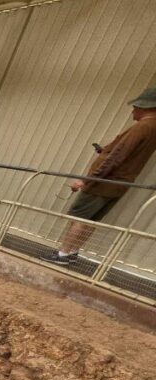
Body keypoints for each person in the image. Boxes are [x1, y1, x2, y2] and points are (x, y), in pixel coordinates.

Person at [46, 87, 156, 266]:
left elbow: (116, 157)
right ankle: (72, 252)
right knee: (91, 220)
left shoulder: (141, 127)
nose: (133, 110)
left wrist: (87, 180)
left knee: (79, 218)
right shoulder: (153, 129)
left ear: (147, 107)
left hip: (104, 182)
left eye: (136, 106)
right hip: (120, 183)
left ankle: (63, 254)